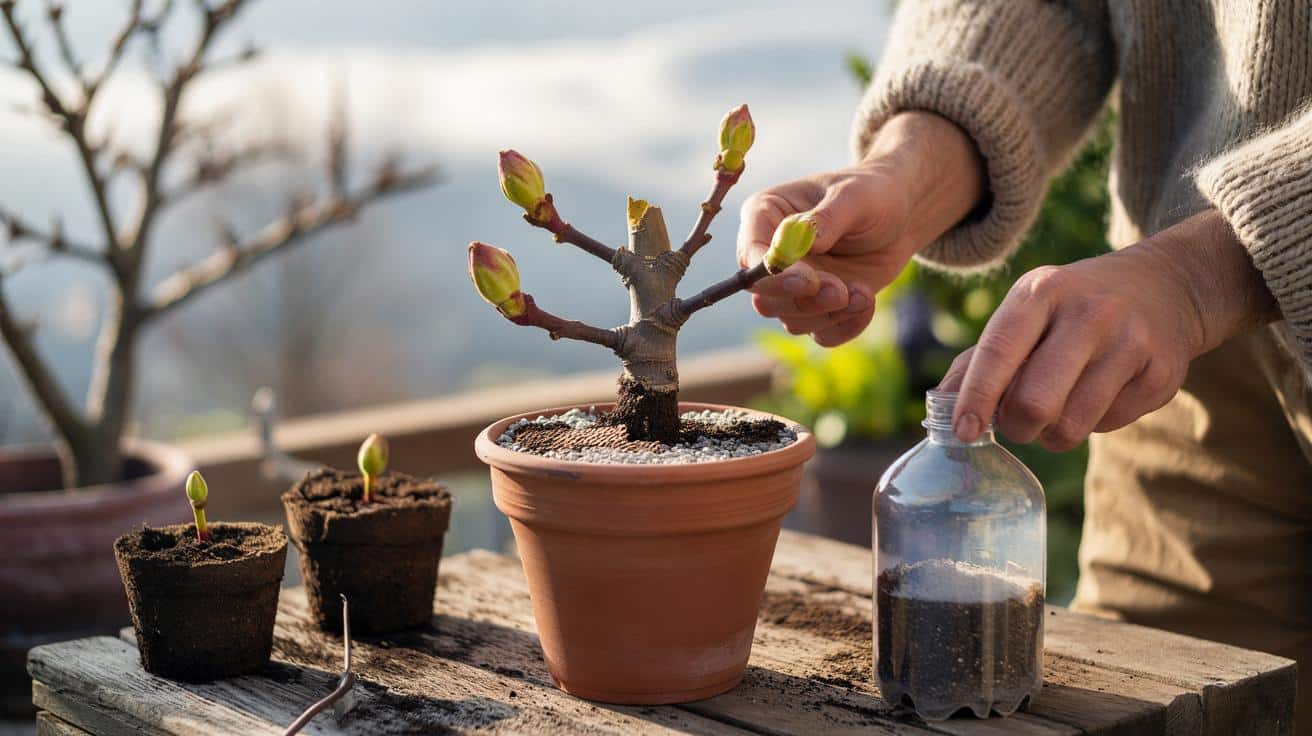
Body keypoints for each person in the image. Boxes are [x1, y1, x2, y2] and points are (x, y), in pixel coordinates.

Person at [738, 1, 1312, 726]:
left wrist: (1203, 275)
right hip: (1170, 369)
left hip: (1185, 290)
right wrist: (914, 167)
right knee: (1168, 703)